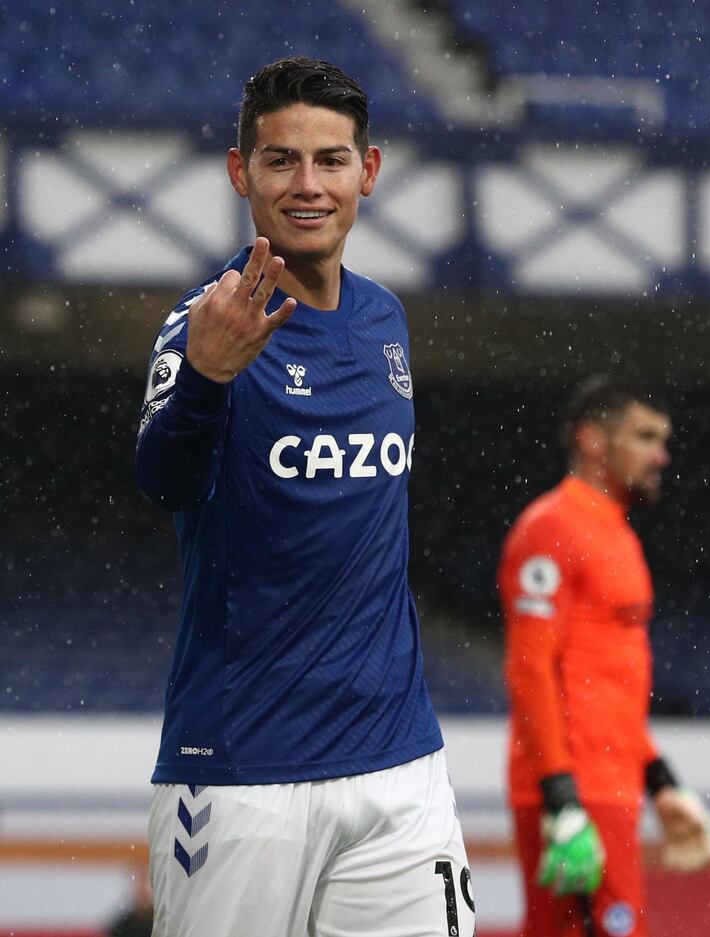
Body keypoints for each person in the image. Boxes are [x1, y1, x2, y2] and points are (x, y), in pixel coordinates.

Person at [136, 56, 474, 937]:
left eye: (330, 159)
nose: (307, 184)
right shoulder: (204, 324)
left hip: (400, 767)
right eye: (281, 160)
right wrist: (206, 380)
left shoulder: (385, 321)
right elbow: (162, 478)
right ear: (240, 172)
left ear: (369, 170)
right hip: (243, 776)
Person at [497, 376, 710, 937]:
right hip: (579, 794)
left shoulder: (617, 536)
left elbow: (605, 686)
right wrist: (562, 802)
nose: (661, 454)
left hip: (607, 789)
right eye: (645, 436)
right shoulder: (550, 529)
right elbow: (530, 669)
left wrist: (661, 781)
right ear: (593, 441)